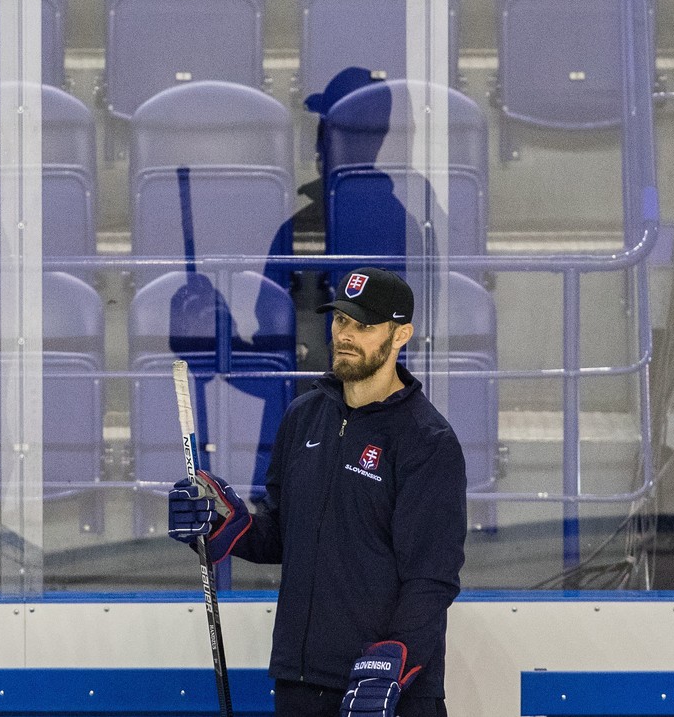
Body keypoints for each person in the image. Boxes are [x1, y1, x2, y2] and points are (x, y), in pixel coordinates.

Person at [168, 267, 467, 717]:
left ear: (401, 334)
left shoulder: (426, 441)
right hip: (300, 683)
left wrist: (394, 660)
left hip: (384, 692)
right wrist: (225, 528)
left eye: (363, 326)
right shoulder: (304, 415)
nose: (345, 335)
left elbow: (432, 578)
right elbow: (286, 532)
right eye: (341, 320)